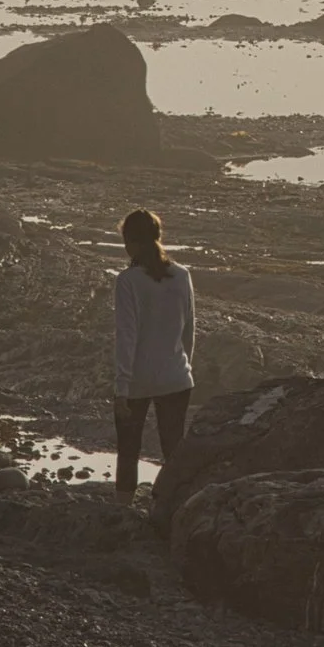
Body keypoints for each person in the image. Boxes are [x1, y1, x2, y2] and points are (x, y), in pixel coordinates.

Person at [112, 207, 194, 497]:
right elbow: (189, 330)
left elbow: (127, 336)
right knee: (174, 451)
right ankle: (174, 506)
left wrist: (121, 387)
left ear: (131, 243)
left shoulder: (128, 281)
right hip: (177, 377)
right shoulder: (182, 276)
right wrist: (185, 368)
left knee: (128, 451)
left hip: (138, 380)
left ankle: (123, 508)